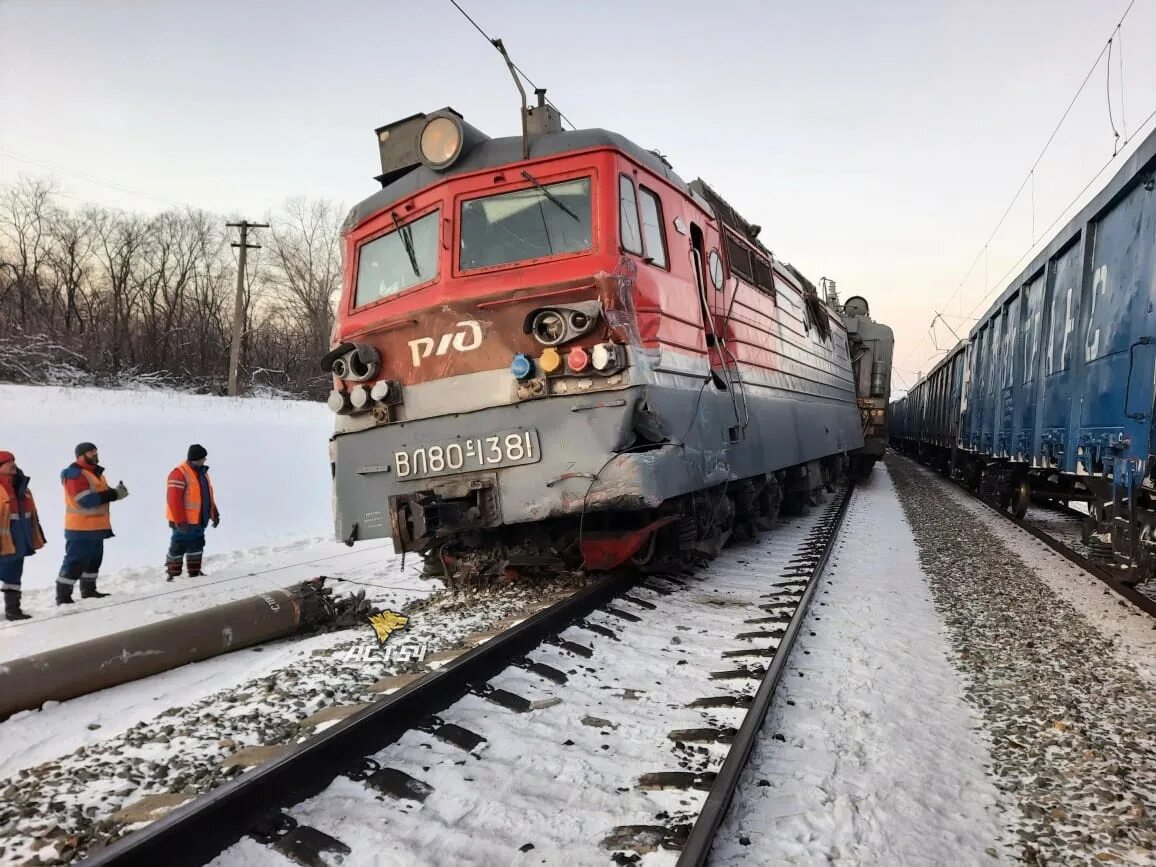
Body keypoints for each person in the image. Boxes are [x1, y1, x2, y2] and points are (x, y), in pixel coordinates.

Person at [59, 442, 128, 604]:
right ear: (81, 456)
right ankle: (63, 597)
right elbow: (84, 500)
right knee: (75, 562)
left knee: (93, 561)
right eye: (91, 452)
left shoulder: (96, 474)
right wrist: (112, 494)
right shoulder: (74, 474)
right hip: (80, 528)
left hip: (97, 527)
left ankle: (89, 590)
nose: (95, 455)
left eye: (96, 451)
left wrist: (118, 493)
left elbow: (103, 494)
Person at [0, 451, 46, 621]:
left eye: (14, 460)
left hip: (18, 540)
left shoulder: (22, 487)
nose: (13, 464)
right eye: (8, 461)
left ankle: (13, 610)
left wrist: (35, 535)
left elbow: (31, 514)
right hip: (4, 541)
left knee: (13, 576)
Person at [165, 444, 219, 579]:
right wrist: (180, 521)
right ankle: (173, 575)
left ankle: (194, 572)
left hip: (199, 519)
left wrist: (214, 513)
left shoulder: (203, 473)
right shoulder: (178, 473)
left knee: (197, 545)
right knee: (178, 546)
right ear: (197, 458)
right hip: (184, 522)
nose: (205, 460)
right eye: (203, 457)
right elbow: (173, 500)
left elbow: (208, 495)